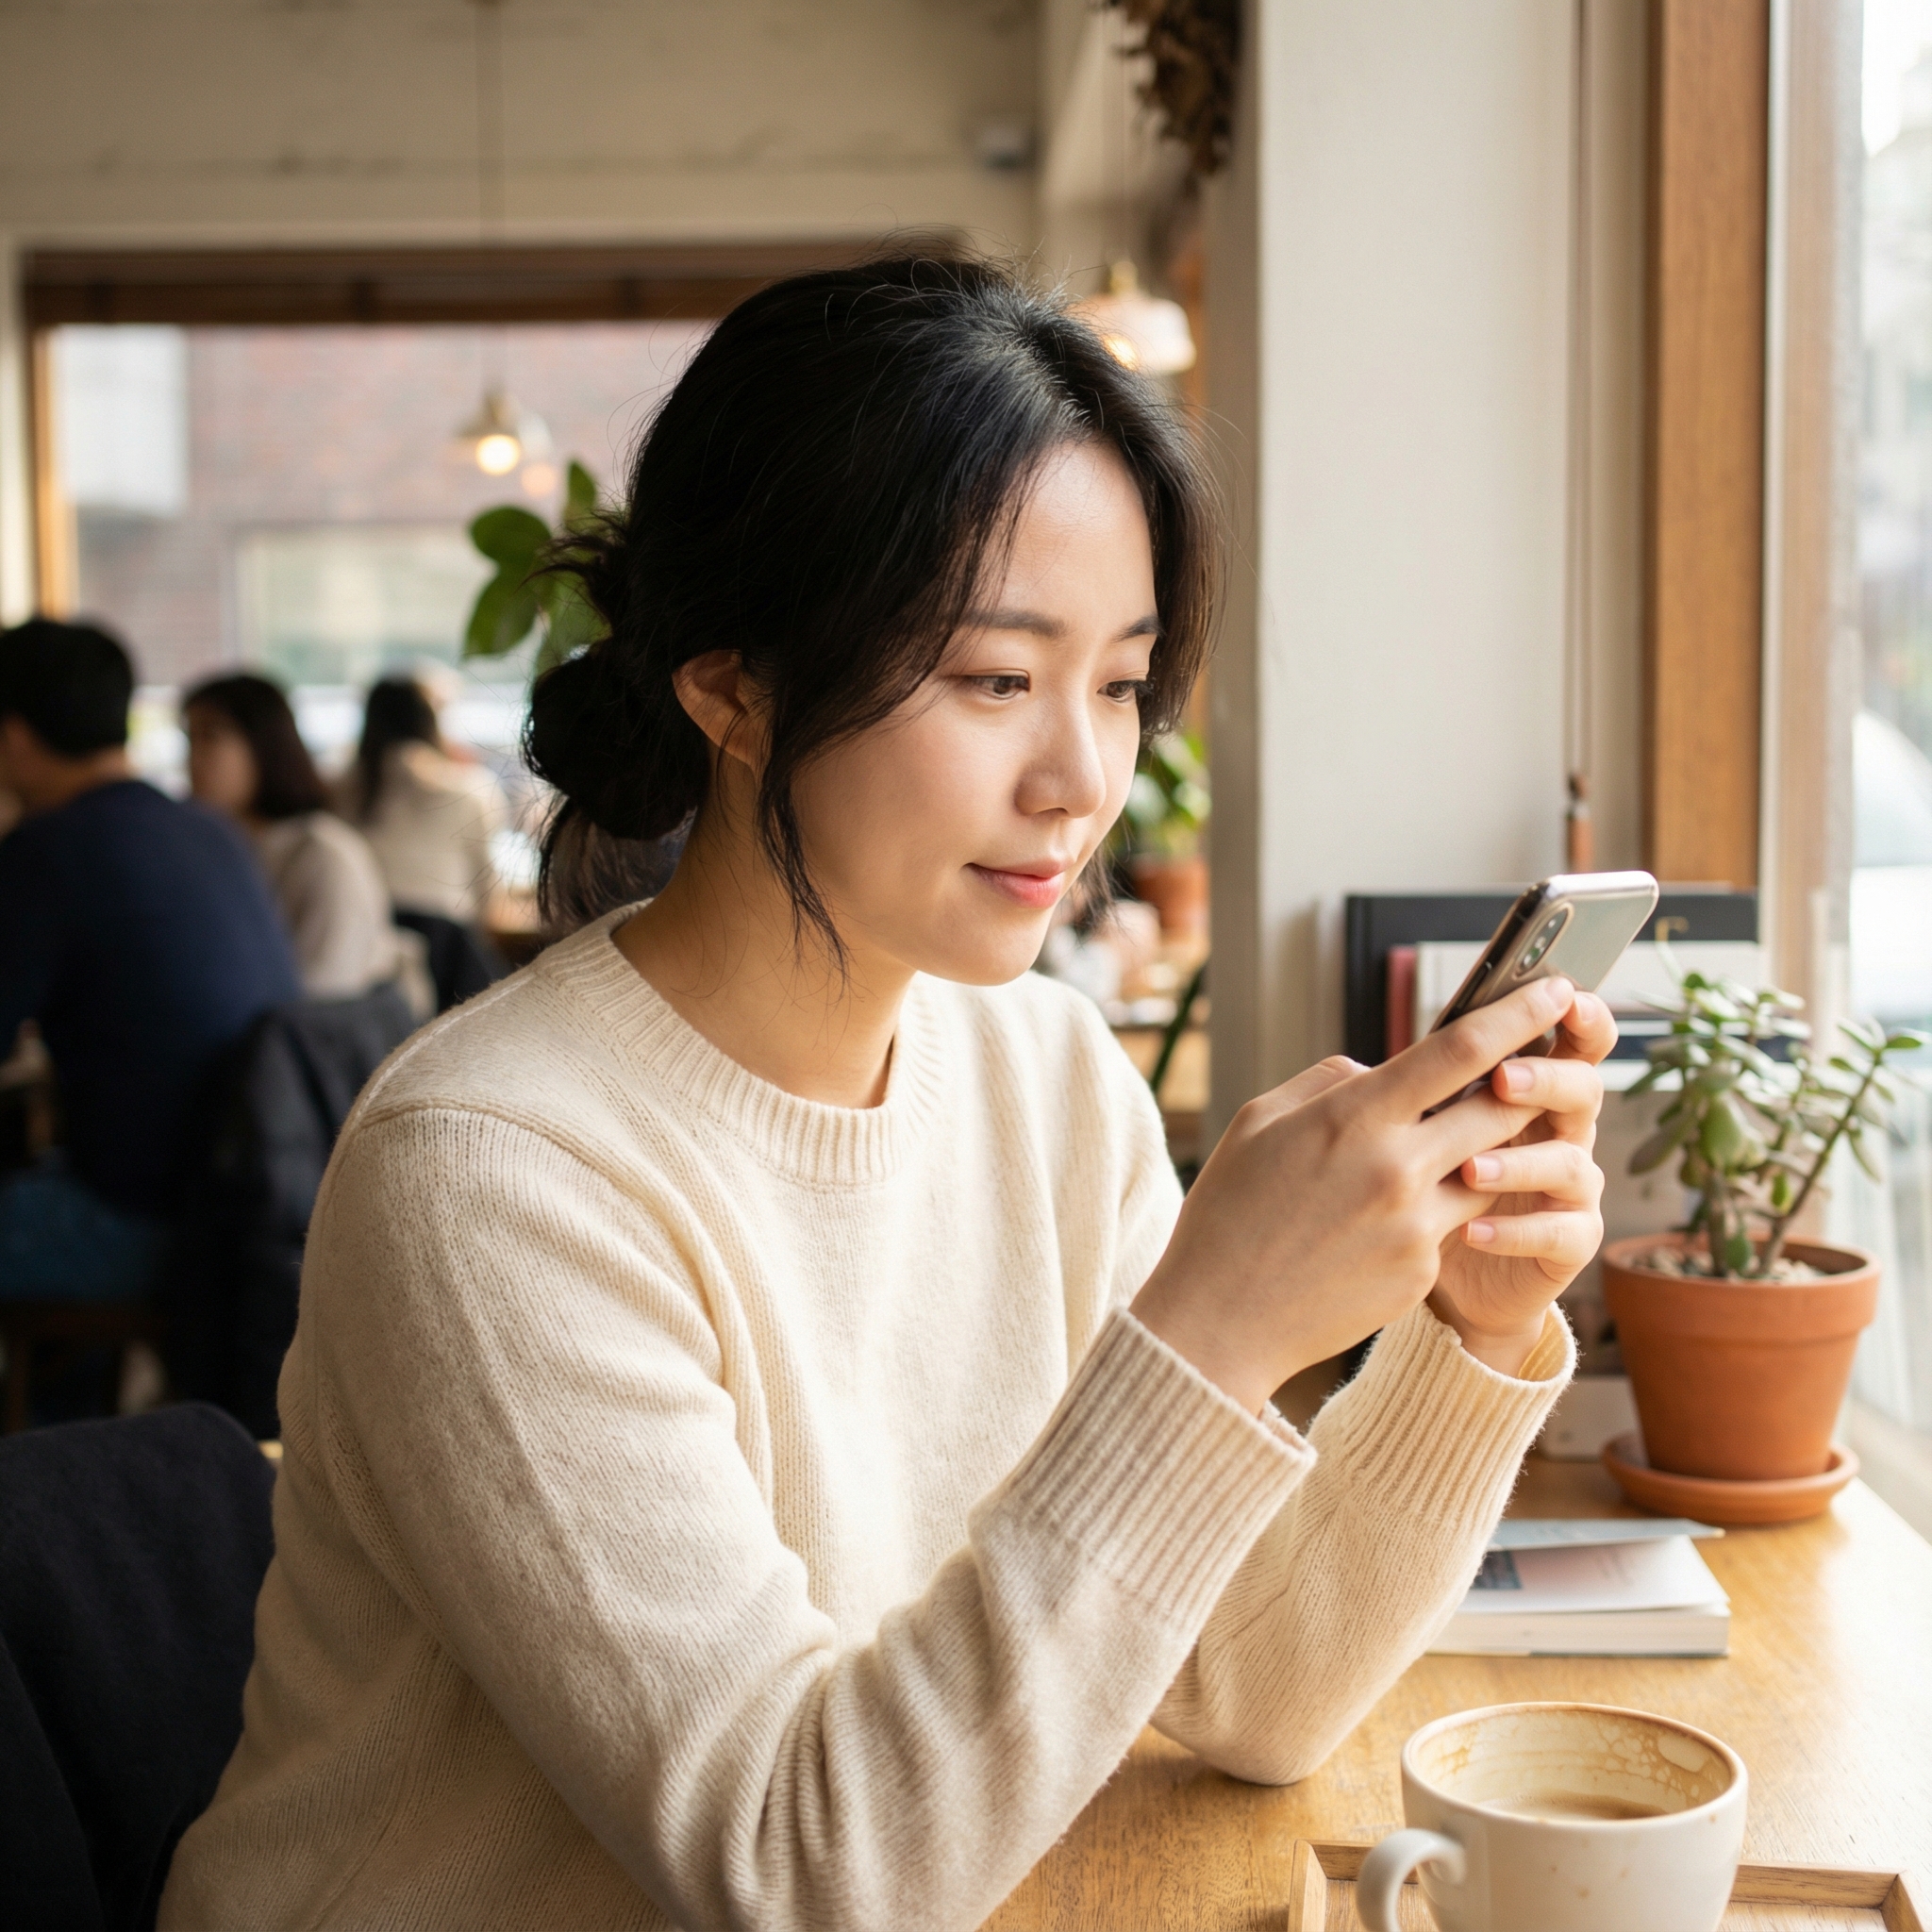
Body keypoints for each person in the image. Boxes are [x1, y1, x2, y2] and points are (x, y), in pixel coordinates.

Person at [161, 257, 1608, 1932]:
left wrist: (1472, 1334)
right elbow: (803, 1866)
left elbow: (1254, 1691)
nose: (1080, 778)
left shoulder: (1046, 1074)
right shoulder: (491, 1175)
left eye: (1121, 680)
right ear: (730, 685)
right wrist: (1211, 1331)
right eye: (995, 678)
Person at [0, 619, 299, 1302]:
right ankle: (64, 1401)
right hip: (252, 1210)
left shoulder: (47, 848)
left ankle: (53, 1407)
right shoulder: (207, 830)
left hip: (154, 1226)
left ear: (14, 737)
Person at [182, 674, 425, 1008]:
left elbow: (322, 1001)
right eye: (189, 738)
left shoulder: (322, 853)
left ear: (263, 743)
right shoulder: (217, 852)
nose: (193, 758)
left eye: (210, 736)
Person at [340, 674, 507, 924]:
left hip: (367, 935)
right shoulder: (470, 789)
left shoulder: (339, 789)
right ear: (431, 720)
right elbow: (488, 895)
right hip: (447, 938)